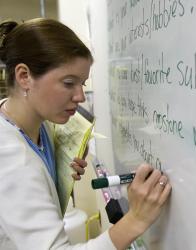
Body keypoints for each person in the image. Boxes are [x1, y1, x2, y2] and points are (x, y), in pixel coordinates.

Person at [0, 18, 171, 250]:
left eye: (82, 83)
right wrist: (136, 219)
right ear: (24, 76)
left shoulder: (28, 120)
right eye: (69, 83)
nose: (80, 96)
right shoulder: (10, 159)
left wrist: (60, 161)